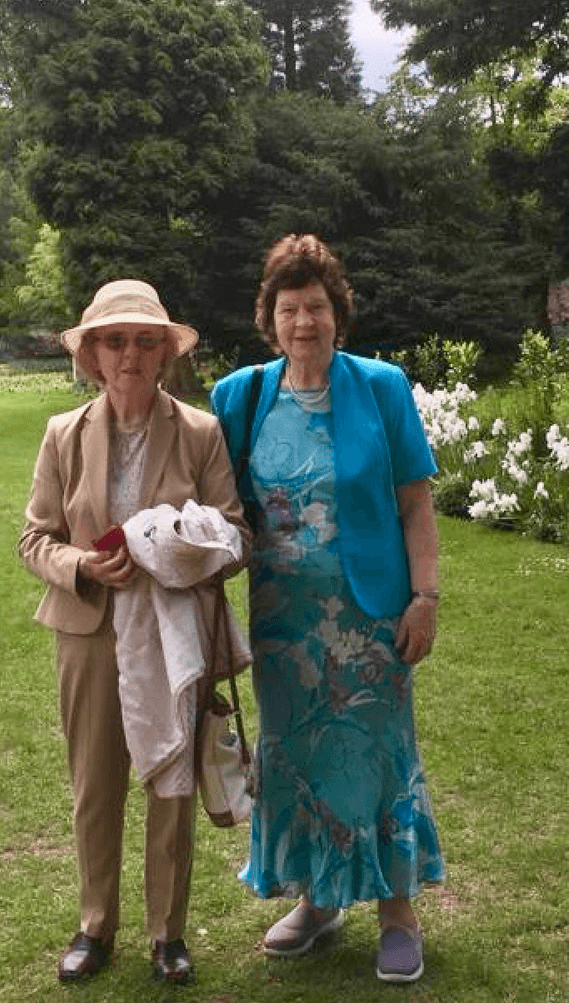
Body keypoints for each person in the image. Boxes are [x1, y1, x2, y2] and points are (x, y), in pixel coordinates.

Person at [211, 235, 445, 984]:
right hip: (282, 625)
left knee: (379, 758)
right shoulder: (241, 396)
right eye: (289, 308)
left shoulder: (380, 386)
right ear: (270, 319)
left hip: (370, 617)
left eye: (316, 306)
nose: (303, 321)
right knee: (297, 759)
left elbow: (415, 505)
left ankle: (397, 912)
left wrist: (426, 596)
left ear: (337, 314)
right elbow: (221, 508)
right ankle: (318, 900)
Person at [19, 279, 250, 985]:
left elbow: (237, 536)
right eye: (114, 340)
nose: (130, 354)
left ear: (163, 354)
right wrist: (84, 564)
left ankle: (167, 934)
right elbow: (33, 539)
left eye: (145, 341)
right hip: (88, 631)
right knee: (95, 783)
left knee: (170, 782)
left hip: (172, 633)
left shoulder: (200, 431)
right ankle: (96, 924)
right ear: (91, 354)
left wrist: (177, 547)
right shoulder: (64, 433)